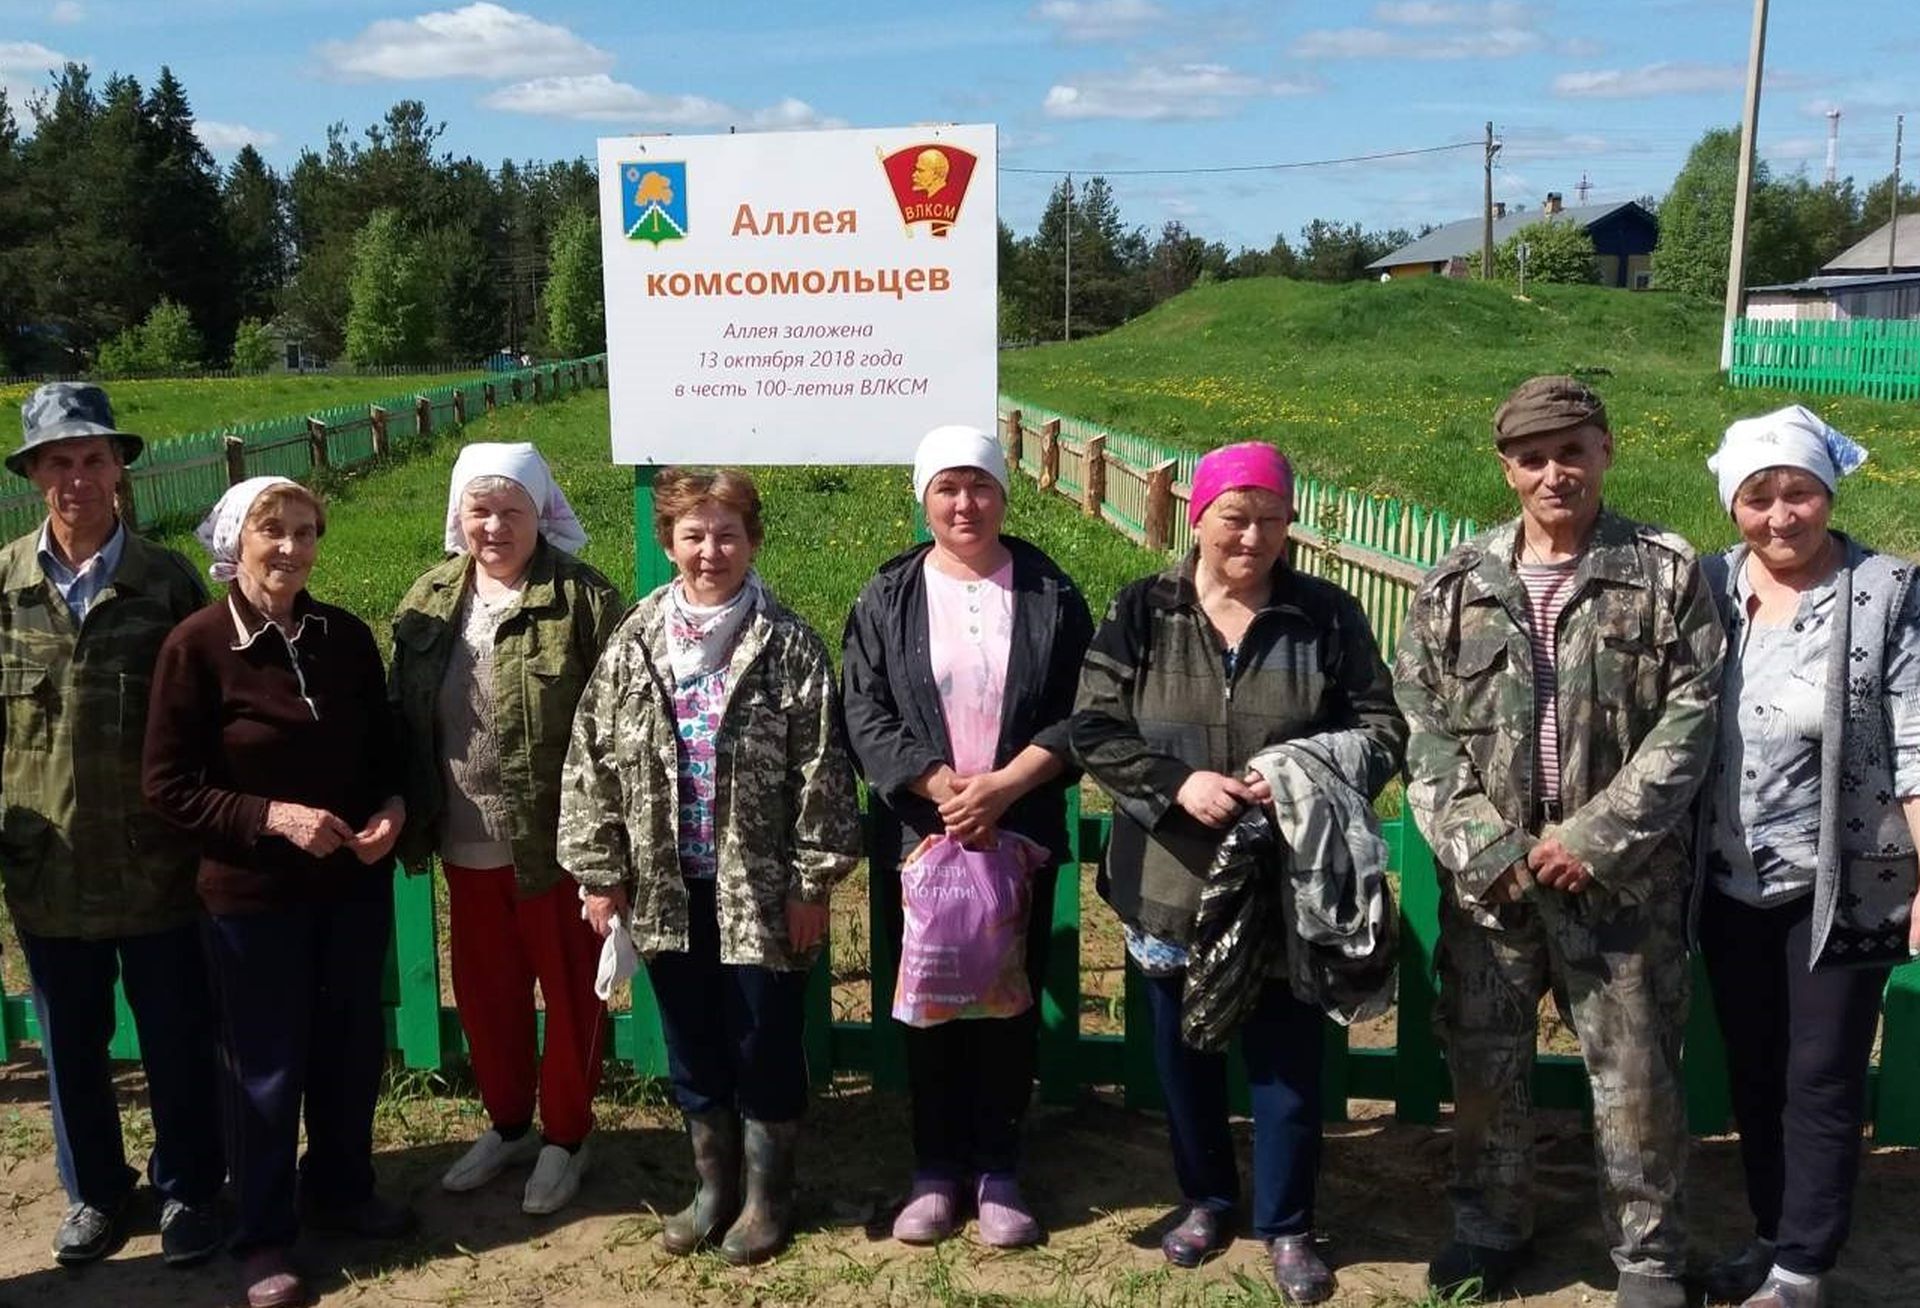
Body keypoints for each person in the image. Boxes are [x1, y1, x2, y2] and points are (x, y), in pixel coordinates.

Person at [1393, 376, 1725, 1308]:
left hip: (1620, 880)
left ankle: (1649, 1255)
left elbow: (1692, 717)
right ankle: (1490, 1226)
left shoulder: (1664, 571)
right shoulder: (1456, 584)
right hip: (1493, 884)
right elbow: (1421, 721)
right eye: (1533, 458)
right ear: (1507, 472)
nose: (1554, 474)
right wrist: (1485, 846)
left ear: (1607, 452)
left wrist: (1596, 835)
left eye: (1572, 452)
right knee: (1485, 1065)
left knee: (1637, 1076)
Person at [1071, 441, 1405, 1304]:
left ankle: (1288, 1225)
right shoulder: (1144, 609)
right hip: (1168, 878)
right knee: (1185, 1056)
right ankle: (1208, 1199)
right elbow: (1095, 729)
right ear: (1199, 517)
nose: (1251, 536)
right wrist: (1176, 783)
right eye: (1234, 516)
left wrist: (1292, 775)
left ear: (1290, 523)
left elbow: (1383, 730)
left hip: (1288, 883)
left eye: (1270, 519)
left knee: (1286, 1064)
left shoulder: (1325, 616)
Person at [561, 467, 861, 1266]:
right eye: (692, 535)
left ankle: (767, 1199)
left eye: (727, 533)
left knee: (762, 1037)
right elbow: (591, 757)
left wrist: (810, 885)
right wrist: (600, 871)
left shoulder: (787, 643)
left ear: (753, 541)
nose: (709, 551)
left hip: (759, 893)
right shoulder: (635, 639)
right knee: (692, 1038)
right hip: (665, 885)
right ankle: (712, 1190)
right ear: (668, 544)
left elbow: (822, 771)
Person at [144, 476, 412, 1308]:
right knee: (264, 1066)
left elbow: (385, 750)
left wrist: (393, 810)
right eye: (273, 530)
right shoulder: (195, 646)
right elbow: (168, 786)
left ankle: (339, 1185)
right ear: (236, 540)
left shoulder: (344, 637)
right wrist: (272, 817)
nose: (292, 548)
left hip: (348, 888)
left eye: (305, 531)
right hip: (252, 897)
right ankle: (262, 1233)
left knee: (348, 1045)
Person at [840, 425, 1094, 1248]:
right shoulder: (887, 597)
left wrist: (1008, 784)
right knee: (931, 1001)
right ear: (923, 499)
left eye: (980, 486)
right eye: (947, 488)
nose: (965, 504)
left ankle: (999, 1167)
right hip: (923, 837)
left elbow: (1084, 710)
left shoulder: (1051, 593)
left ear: (1003, 494)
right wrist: (938, 784)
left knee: (1008, 1000)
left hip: (1016, 829)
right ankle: (934, 1170)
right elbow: (863, 710)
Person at [1693, 406, 1920, 1308]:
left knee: (1820, 1071)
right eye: (1759, 497)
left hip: (1847, 879)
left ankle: (1803, 1269)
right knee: (1754, 1064)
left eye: (1799, 493)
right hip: (1725, 877)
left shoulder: (1890, 592)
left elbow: (1915, 739)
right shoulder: (1707, 587)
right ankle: (1770, 1232)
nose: (1781, 516)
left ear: (1828, 491)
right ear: (1732, 505)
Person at [0, 383, 223, 1267]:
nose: (78, 478)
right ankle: (96, 1191)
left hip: (157, 864)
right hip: (47, 867)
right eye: (59, 462)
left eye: (94, 459)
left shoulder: (165, 583)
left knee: (175, 1033)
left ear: (120, 469)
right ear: (33, 476)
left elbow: (210, 717)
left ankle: (189, 1190)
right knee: (71, 1043)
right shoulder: (4, 586)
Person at [390, 444, 624, 1215]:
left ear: (541, 514)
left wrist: (606, 848)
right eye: (480, 510)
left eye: (511, 511)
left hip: (554, 847)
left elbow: (617, 725)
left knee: (568, 992)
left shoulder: (583, 600)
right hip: (463, 839)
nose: (495, 526)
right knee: (487, 994)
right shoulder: (427, 598)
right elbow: (401, 713)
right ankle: (509, 1124)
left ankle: (567, 1139)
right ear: (459, 515)